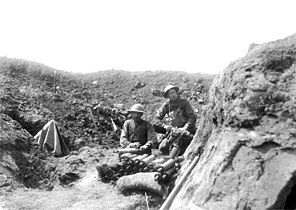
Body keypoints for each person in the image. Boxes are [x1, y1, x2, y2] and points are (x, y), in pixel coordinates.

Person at [154, 85, 197, 157]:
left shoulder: (184, 102)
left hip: (186, 129)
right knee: (162, 146)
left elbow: (192, 117)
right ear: (168, 96)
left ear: (176, 93)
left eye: (174, 92)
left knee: (180, 143)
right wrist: (165, 126)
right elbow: (156, 119)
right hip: (174, 129)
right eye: (170, 93)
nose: (173, 94)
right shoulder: (166, 106)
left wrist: (185, 127)